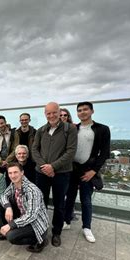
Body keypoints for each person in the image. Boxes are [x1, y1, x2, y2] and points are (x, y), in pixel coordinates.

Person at [31, 102, 78, 247]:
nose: (51, 116)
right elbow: (34, 150)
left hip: (61, 173)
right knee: (41, 203)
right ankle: (42, 230)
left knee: (59, 204)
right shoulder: (41, 130)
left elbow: (71, 152)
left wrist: (53, 166)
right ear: (45, 114)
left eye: (54, 113)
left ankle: (56, 232)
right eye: (48, 113)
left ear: (59, 112)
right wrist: (44, 167)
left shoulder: (69, 129)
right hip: (42, 173)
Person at [64, 102, 111, 243]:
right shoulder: (74, 128)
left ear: (92, 111)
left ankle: (87, 227)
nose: (82, 112)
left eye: (85, 109)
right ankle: (66, 221)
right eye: (79, 110)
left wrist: (93, 171)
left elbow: (104, 153)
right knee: (69, 197)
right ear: (77, 113)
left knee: (86, 200)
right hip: (72, 168)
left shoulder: (102, 129)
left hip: (88, 170)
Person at [0, 163, 49, 253]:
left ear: (22, 173)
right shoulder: (14, 184)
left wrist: (10, 225)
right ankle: (5, 232)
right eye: (10, 173)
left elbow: (31, 216)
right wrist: (8, 208)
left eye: (15, 172)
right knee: (0, 205)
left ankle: (41, 240)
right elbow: (4, 195)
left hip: (35, 223)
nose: (13, 175)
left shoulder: (32, 190)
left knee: (11, 237)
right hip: (23, 216)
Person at [13, 113, 36, 182]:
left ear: (29, 120)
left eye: (26, 120)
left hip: (31, 159)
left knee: (30, 178)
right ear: (20, 121)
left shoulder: (35, 132)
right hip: (20, 157)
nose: (24, 121)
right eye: (22, 120)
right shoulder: (16, 133)